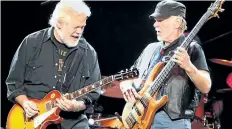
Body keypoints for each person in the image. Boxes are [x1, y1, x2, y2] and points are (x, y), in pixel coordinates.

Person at [6, 1, 101, 129]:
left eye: (82, 27)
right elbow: (14, 82)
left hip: (72, 122)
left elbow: (92, 95)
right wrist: (25, 102)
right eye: (75, 27)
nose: (79, 32)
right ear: (58, 23)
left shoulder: (89, 53)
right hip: (31, 120)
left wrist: (76, 105)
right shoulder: (32, 42)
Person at [120, 0, 212, 129]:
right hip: (139, 118)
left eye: (160, 20)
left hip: (172, 123)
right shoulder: (150, 49)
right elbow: (130, 77)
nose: (155, 24)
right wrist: (126, 86)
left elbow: (206, 86)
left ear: (178, 22)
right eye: (155, 20)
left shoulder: (192, 49)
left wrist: (189, 67)